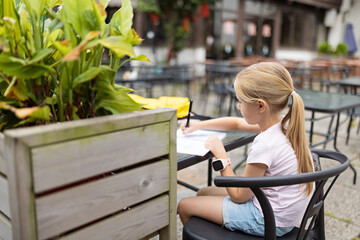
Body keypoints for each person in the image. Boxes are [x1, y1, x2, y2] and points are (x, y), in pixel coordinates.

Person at [177, 62, 314, 237]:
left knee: (184, 205)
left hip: (267, 219)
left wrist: (221, 155)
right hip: (282, 211)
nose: (238, 106)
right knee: (203, 192)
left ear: (260, 106)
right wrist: (198, 125)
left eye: (240, 101)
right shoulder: (286, 124)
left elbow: (239, 196)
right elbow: (235, 123)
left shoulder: (265, 144)